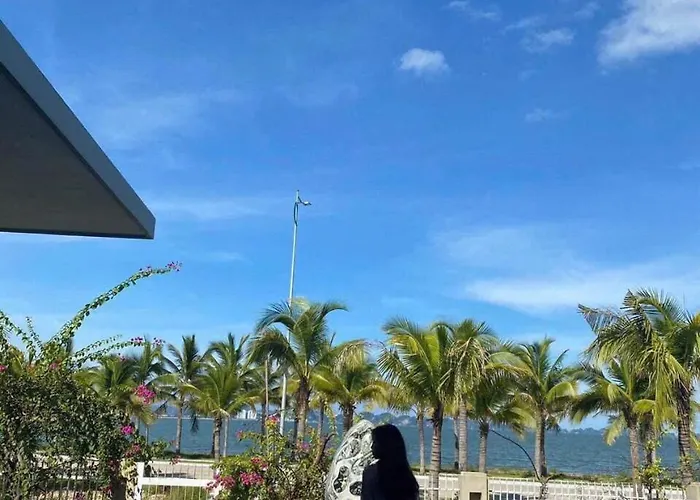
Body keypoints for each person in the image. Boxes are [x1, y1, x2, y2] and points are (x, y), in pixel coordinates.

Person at [361, 424, 420, 500]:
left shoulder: (370, 473)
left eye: (375, 442)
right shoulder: (406, 476)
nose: (371, 446)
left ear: (384, 445)